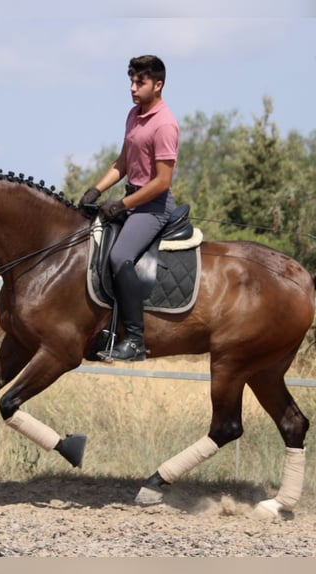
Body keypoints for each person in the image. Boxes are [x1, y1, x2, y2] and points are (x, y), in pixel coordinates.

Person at [79, 54, 179, 362]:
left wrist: (122, 204)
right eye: (131, 82)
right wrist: (96, 189)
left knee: (120, 256)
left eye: (141, 82)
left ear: (158, 85)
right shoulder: (134, 114)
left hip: (153, 207)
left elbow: (162, 182)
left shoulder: (165, 124)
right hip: (132, 201)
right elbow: (122, 162)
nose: (133, 88)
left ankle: (135, 340)